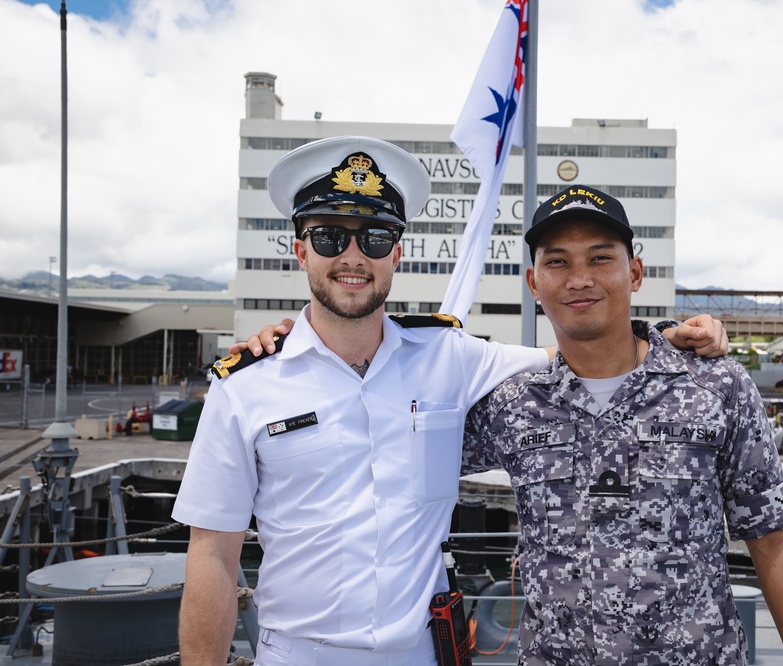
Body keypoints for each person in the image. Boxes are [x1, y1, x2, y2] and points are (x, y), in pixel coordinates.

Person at [172, 136, 728, 666]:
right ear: (300, 250)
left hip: (425, 651)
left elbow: (582, 354)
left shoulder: (449, 357)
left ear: (398, 254)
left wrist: (667, 336)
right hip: (299, 653)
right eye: (328, 237)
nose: (352, 256)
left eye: (375, 239)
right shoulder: (245, 385)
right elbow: (214, 558)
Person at [461, 185, 783, 665]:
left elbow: (773, 538)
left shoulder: (715, 387)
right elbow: (400, 458)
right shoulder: (513, 402)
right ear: (534, 282)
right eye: (558, 263)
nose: (579, 279)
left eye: (599, 259)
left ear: (634, 272)